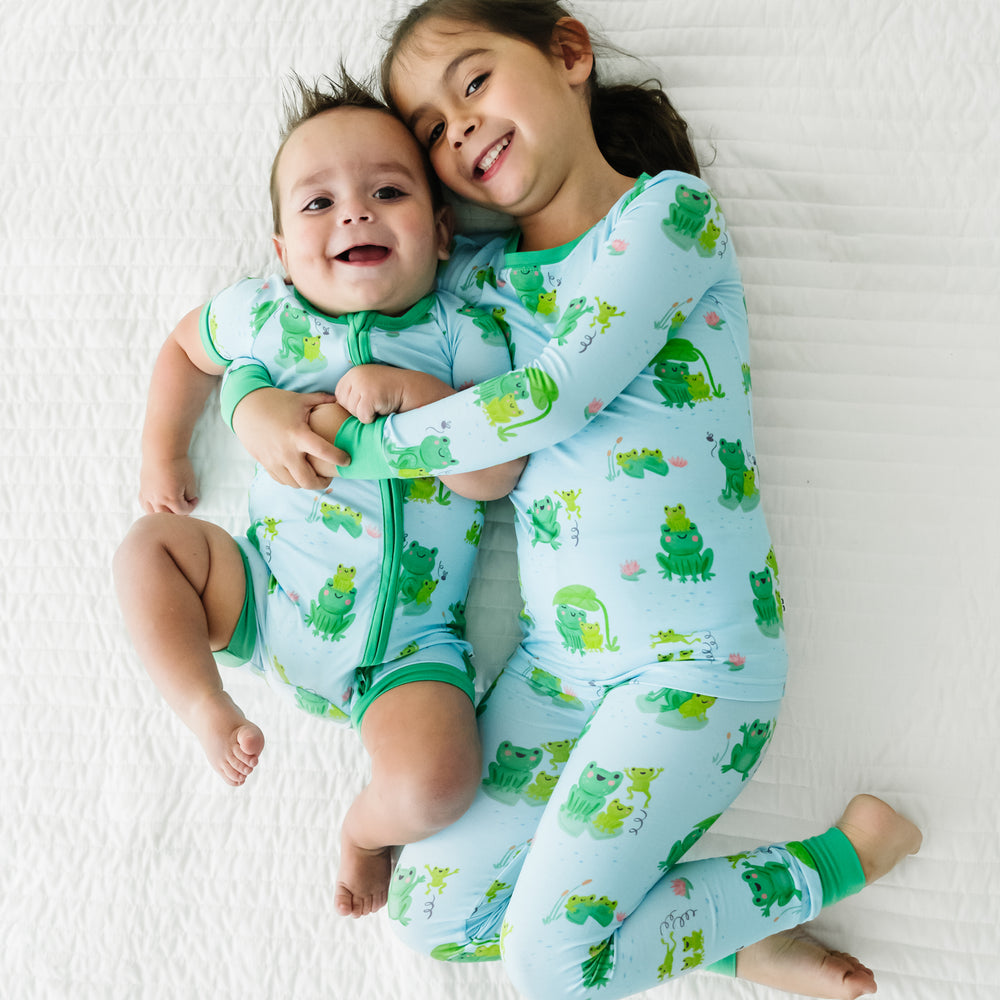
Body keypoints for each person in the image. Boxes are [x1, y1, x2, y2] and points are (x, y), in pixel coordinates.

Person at [230, 4, 922, 997]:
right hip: (560, 668)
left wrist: (370, 447)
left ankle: (840, 858)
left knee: (553, 969)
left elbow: (550, 398)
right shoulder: (477, 285)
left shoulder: (667, 216)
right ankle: (722, 935)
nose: (457, 128)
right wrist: (250, 405)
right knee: (433, 913)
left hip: (695, 664)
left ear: (567, 53)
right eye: (429, 130)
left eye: (472, 83)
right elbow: (292, 325)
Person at [112, 73, 525, 921]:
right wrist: (165, 448)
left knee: (439, 784)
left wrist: (417, 394)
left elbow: (497, 474)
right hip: (267, 592)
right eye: (318, 203)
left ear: (444, 233)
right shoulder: (266, 319)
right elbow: (187, 349)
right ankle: (203, 702)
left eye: (387, 191)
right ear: (279, 250)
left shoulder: (463, 330)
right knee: (146, 551)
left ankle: (367, 833)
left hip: (410, 645)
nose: (355, 213)